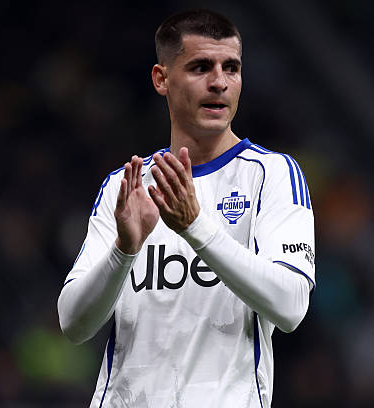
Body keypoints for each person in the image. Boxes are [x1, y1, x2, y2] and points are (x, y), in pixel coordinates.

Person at [57, 9, 315, 408]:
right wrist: (123, 251)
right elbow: (73, 324)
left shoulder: (271, 175)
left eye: (231, 68)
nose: (219, 82)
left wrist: (195, 226)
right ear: (161, 79)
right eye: (200, 67)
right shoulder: (126, 186)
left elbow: (291, 306)